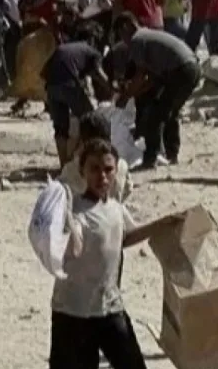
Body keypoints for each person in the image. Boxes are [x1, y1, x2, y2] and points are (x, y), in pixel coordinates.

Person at [49, 139, 181, 369]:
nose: (102, 177)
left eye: (108, 169)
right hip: (73, 312)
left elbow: (125, 237)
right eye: (95, 169)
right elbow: (74, 245)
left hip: (109, 307)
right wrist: (68, 222)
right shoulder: (76, 211)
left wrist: (163, 223)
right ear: (83, 171)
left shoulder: (116, 208)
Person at [113, 13, 200, 169]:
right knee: (170, 111)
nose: (124, 41)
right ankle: (172, 154)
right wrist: (134, 93)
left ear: (126, 27)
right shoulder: (148, 35)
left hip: (180, 70)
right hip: (191, 67)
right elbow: (151, 79)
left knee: (156, 115)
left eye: (121, 35)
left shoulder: (137, 40)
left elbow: (140, 75)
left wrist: (125, 96)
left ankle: (150, 159)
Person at [44, 22, 112, 167]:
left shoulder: (63, 48)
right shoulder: (91, 51)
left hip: (51, 87)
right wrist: (113, 89)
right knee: (90, 122)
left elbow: (44, 73)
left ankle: (64, 165)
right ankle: (90, 161)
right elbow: (99, 75)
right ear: (93, 39)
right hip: (69, 85)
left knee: (60, 128)